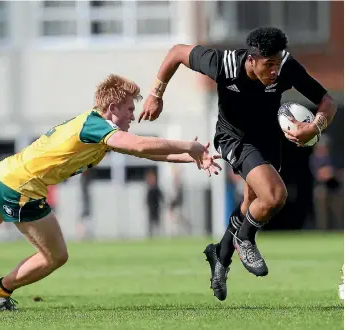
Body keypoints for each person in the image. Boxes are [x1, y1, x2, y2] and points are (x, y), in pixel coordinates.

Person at [0, 74, 222, 311]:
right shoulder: (97, 127)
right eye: (129, 109)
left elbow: (143, 153)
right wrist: (188, 145)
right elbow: (141, 144)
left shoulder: (97, 128)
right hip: (22, 187)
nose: (131, 115)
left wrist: (191, 157)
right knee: (55, 256)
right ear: (112, 108)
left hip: (5, 174)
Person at [139, 26, 337, 301]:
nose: (275, 71)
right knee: (275, 196)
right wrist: (156, 94)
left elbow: (327, 100)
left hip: (268, 141)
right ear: (251, 60)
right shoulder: (224, 63)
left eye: (278, 64)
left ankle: (219, 256)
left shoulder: (287, 66)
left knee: (251, 206)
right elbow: (176, 53)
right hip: (234, 139)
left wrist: (315, 127)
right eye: (269, 65)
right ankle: (244, 239)